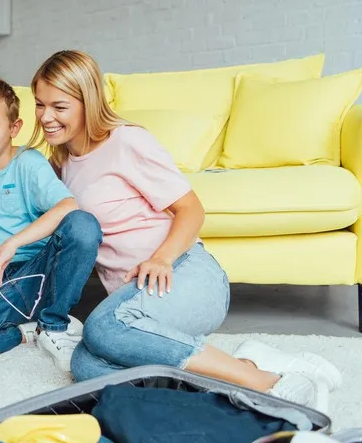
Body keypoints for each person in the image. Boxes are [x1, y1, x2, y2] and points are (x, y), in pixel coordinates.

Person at [28, 50, 341, 411]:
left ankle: (267, 384)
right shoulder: (62, 162)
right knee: (85, 364)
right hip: (135, 301)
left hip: (185, 275)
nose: (46, 117)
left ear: (89, 101)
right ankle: (243, 366)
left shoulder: (126, 142)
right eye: (39, 104)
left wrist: (161, 258)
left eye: (59, 106)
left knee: (100, 330)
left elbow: (191, 209)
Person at [0, 78, 100, 372]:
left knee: (82, 225)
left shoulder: (28, 162)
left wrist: (12, 243)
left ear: (14, 128)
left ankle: (54, 325)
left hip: (38, 270)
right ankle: (25, 332)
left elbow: (68, 207)